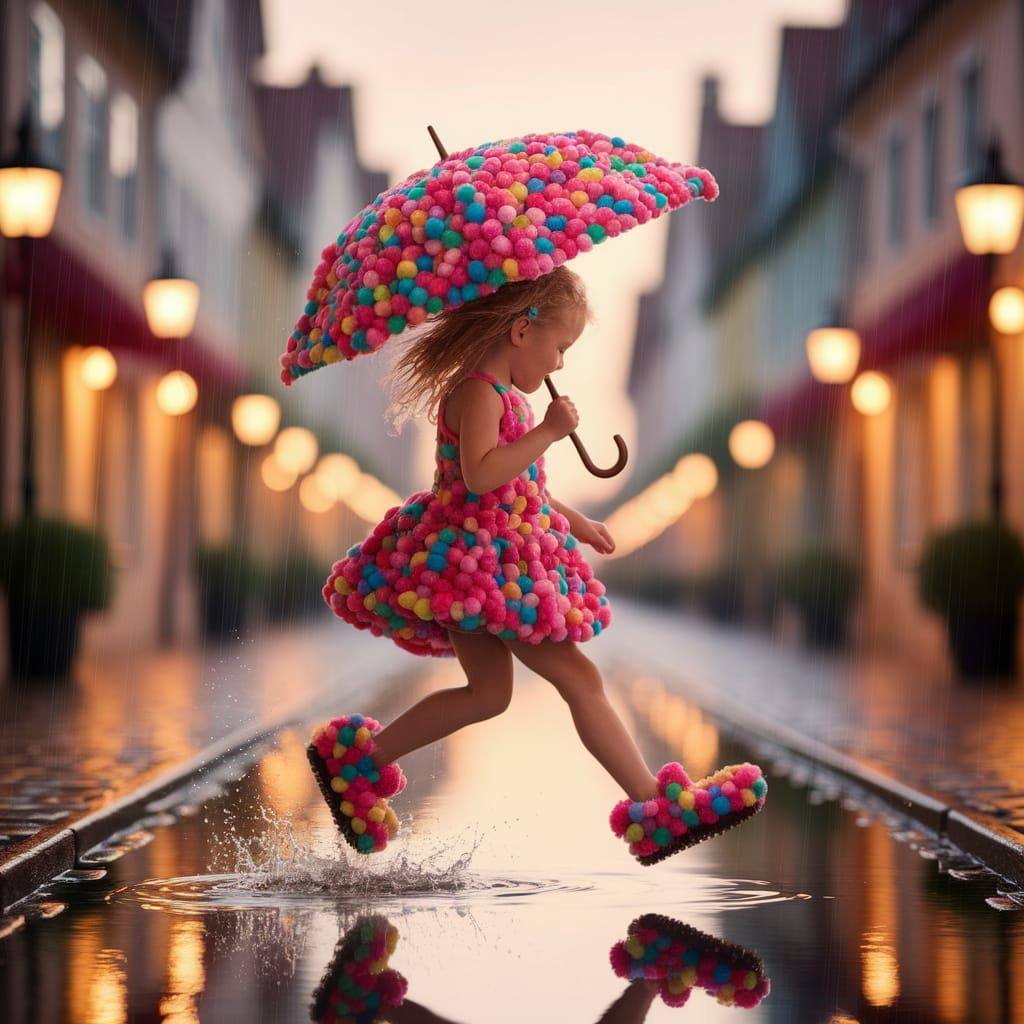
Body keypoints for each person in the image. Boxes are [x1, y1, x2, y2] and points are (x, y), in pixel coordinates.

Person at [306, 266, 766, 861]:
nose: (560, 364)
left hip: (481, 562)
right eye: (560, 347)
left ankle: (361, 763)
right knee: (580, 678)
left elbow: (521, 487)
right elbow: (481, 476)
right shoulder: (476, 391)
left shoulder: (503, 398)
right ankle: (657, 807)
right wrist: (548, 432)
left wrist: (575, 520)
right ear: (522, 332)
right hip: (479, 565)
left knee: (488, 694)